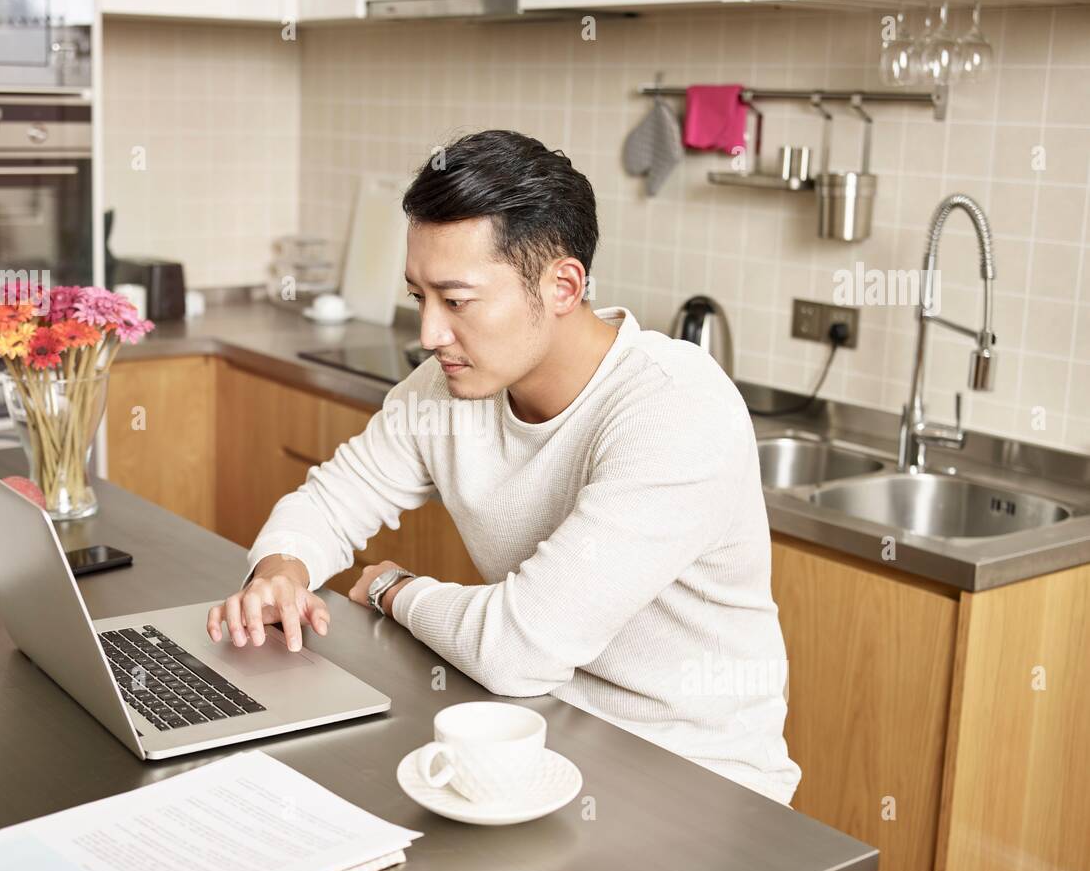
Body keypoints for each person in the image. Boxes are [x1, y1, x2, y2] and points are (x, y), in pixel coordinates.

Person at [207, 129, 801, 806]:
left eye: (456, 301)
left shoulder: (674, 408)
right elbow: (333, 499)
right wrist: (281, 569)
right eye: (418, 298)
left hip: (701, 784)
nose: (429, 333)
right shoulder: (447, 390)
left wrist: (393, 589)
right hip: (544, 741)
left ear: (562, 285)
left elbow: (518, 647)